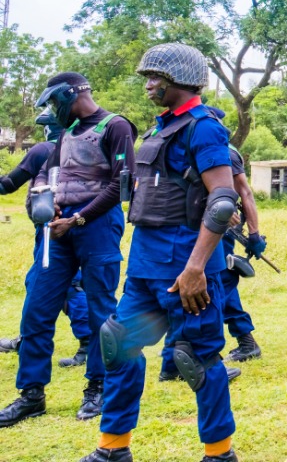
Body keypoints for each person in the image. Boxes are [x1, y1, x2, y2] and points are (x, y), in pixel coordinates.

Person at [79, 43, 240, 462]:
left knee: (196, 359)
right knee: (118, 345)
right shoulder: (160, 127)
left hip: (186, 267)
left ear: (180, 80)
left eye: (156, 77)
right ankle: (113, 448)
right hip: (145, 265)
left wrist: (196, 268)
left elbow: (222, 200)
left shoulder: (203, 127)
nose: (148, 84)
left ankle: (219, 453)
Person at [0, 74, 136, 428]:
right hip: (56, 232)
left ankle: (98, 387)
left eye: (53, 102)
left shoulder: (115, 126)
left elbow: (121, 187)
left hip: (97, 229)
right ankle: (31, 395)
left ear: (70, 95)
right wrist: (43, 198)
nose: (52, 110)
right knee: (37, 310)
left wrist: (77, 219)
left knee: (100, 313)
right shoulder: (67, 134)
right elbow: (48, 174)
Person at [160, 107, 260, 384]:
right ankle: (171, 362)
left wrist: (254, 233)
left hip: (219, 233)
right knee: (181, 289)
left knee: (218, 288)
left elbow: (244, 193)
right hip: (191, 230)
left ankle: (245, 341)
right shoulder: (181, 144)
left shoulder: (225, 152)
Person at [0, 112, 93, 367]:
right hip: (76, 224)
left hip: (52, 229)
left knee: (66, 287)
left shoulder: (43, 149)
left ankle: (87, 343)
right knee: (42, 285)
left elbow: (9, 184)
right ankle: (27, 339)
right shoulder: (84, 146)